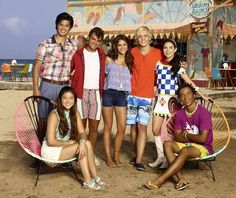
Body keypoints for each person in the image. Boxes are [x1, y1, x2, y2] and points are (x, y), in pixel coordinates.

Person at [141, 83, 213, 191]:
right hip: (187, 144)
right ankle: (181, 179)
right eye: (182, 95)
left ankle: (160, 180)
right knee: (167, 144)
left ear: (194, 95)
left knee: (184, 150)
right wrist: (187, 137)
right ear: (180, 99)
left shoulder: (203, 113)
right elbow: (177, 136)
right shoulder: (180, 114)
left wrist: (185, 134)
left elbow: (203, 139)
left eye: (188, 94)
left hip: (203, 147)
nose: (186, 97)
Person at [149, 39, 208, 168]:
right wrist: (154, 90)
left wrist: (202, 94)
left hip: (173, 101)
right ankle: (160, 156)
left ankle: (168, 158)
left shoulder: (179, 66)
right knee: (155, 129)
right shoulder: (158, 63)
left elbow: (189, 82)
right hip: (160, 100)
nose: (167, 50)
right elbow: (155, 80)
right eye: (165, 48)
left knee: (169, 132)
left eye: (171, 47)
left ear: (175, 49)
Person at [41, 86, 105, 190]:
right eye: (65, 98)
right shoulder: (54, 115)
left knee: (86, 143)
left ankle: (95, 177)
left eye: (71, 98)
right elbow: (51, 141)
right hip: (51, 152)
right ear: (60, 99)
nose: (68, 101)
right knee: (80, 146)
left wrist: (83, 141)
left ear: (74, 100)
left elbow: (82, 132)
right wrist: (70, 143)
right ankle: (87, 181)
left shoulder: (75, 113)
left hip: (63, 149)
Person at [33, 12, 77, 141]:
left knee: (62, 119)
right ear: (56, 25)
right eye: (61, 25)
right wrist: (35, 88)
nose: (63, 28)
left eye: (67, 25)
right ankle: (40, 152)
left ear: (70, 28)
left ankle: (58, 153)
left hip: (64, 86)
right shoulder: (45, 44)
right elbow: (36, 67)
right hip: (48, 85)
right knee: (43, 118)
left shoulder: (73, 45)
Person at [127, 26, 163, 171]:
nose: (142, 38)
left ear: (150, 37)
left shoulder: (158, 53)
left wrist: (182, 65)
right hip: (131, 94)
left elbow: (169, 63)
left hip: (147, 96)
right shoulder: (133, 51)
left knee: (142, 127)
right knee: (133, 127)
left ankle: (139, 160)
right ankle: (137, 154)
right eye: (140, 36)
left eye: (145, 36)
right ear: (137, 38)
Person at [71, 27, 106, 165]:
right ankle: (80, 156)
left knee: (93, 128)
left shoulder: (102, 54)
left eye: (98, 41)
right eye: (93, 39)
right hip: (81, 93)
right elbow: (70, 70)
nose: (95, 42)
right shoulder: (78, 54)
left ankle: (89, 155)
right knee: (81, 127)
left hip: (96, 93)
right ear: (88, 38)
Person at [102, 35, 134, 167]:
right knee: (108, 127)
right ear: (115, 46)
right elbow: (101, 76)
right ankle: (108, 157)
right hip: (108, 94)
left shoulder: (131, 61)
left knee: (121, 127)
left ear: (128, 46)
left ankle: (116, 155)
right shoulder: (109, 60)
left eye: (124, 45)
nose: (122, 47)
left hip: (122, 96)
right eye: (119, 45)